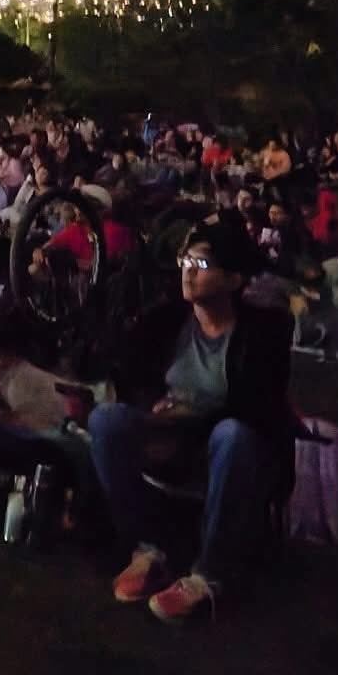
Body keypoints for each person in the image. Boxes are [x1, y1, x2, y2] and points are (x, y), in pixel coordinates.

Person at [87, 214, 294, 624]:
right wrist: (152, 407)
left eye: (200, 265)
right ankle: (150, 548)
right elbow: (125, 369)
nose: (188, 273)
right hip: (170, 437)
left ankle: (208, 575)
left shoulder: (262, 333)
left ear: (233, 280)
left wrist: (190, 419)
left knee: (232, 436)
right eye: (185, 261)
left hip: (230, 447)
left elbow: (260, 408)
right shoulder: (169, 320)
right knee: (106, 421)